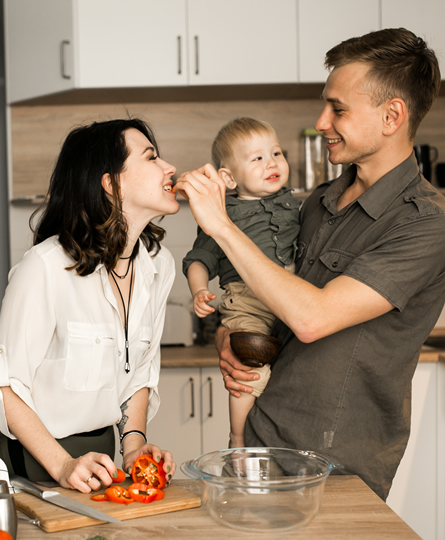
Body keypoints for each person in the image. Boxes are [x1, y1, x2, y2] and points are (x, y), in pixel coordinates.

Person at [175, 28, 445, 500]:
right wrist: (233, 335)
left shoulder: (425, 223)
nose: (321, 122)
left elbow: (312, 317)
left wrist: (221, 225)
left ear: (392, 116)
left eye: (337, 109)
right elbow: (279, 304)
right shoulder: (320, 200)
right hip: (261, 436)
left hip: (336, 467)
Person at [0, 118, 179, 492]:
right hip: (29, 470)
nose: (169, 168)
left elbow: (138, 372)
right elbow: (6, 387)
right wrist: (63, 465)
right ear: (111, 183)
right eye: (152, 158)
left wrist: (133, 448)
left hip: (97, 466)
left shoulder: (158, 266)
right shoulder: (45, 268)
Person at [182, 117, 301, 447]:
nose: (272, 163)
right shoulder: (222, 215)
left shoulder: (295, 203)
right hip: (248, 301)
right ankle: (238, 439)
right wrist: (200, 290)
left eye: (276, 153)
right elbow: (198, 259)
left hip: (294, 296)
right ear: (228, 177)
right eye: (258, 158)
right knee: (248, 373)